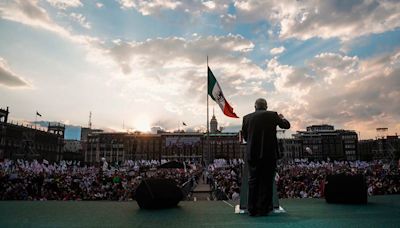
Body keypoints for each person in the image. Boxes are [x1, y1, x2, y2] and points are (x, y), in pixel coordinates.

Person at [242, 98, 290, 216]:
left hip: (252, 154)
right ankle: (263, 209)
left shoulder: (246, 118)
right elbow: (286, 126)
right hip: (269, 154)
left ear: (255, 107)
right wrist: (282, 117)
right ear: (266, 106)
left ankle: (252, 209)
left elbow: (245, 137)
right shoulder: (272, 115)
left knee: (253, 181)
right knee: (267, 182)